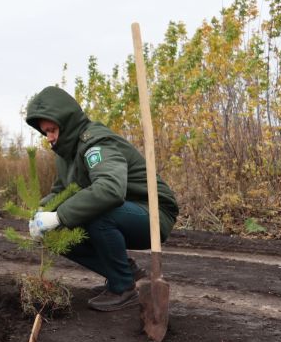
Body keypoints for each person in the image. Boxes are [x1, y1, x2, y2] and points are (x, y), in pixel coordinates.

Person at [26, 86, 178, 312]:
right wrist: (41, 212)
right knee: (55, 232)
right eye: (44, 132)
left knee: (97, 214)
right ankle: (127, 272)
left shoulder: (97, 143)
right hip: (124, 212)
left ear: (66, 122)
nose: (49, 138)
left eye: (52, 130)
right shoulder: (67, 154)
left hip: (153, 213)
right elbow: (62, 191)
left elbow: (110, 189)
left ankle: (123, 288)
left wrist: (59, 215)